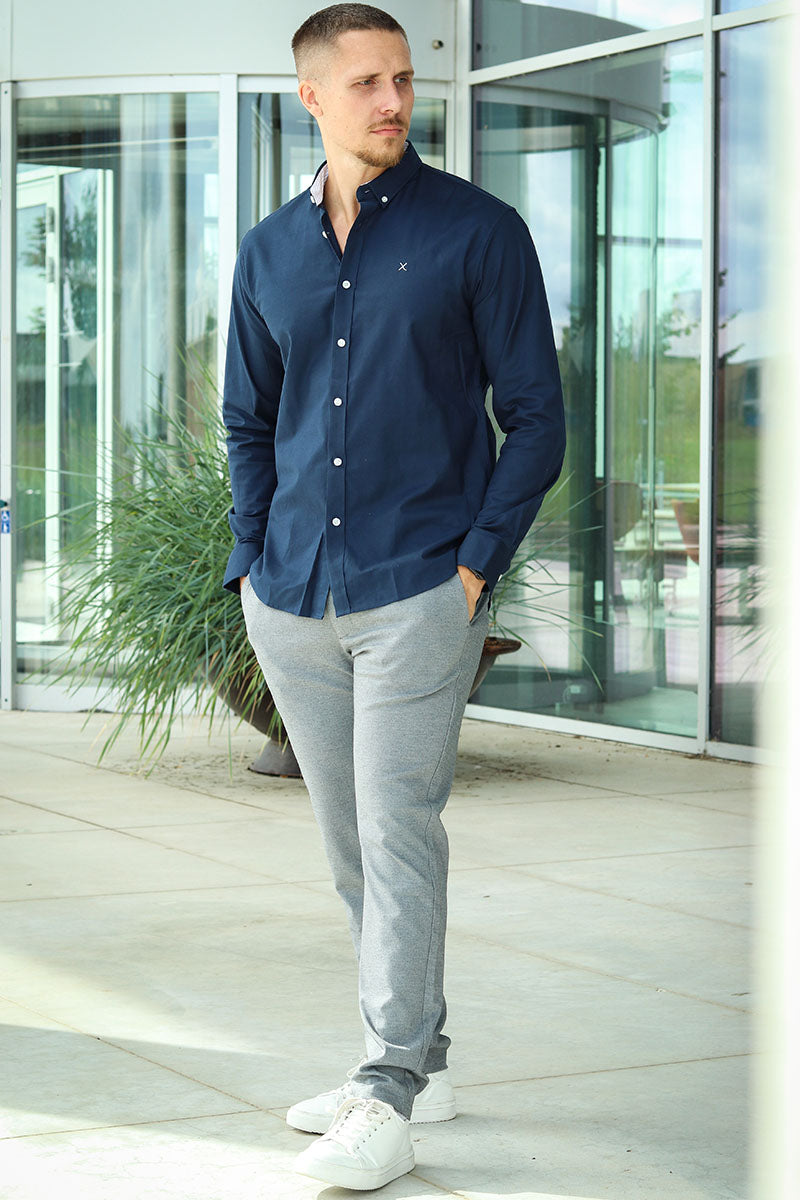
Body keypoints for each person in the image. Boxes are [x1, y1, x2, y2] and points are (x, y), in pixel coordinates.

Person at [222, 3, 565, 1189]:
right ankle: (422, 1055)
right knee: (348, 848)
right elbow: (247, 420)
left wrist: (475, 564)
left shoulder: (477, 232)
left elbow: (536, 417)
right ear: (310, 96)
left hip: (419, 588)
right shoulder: (268, 251)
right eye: (366, 81)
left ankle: (385, 1090)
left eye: (403, 80)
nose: (392, 101)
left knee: (398, 833)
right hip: (291, 595)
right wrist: (250, 559)